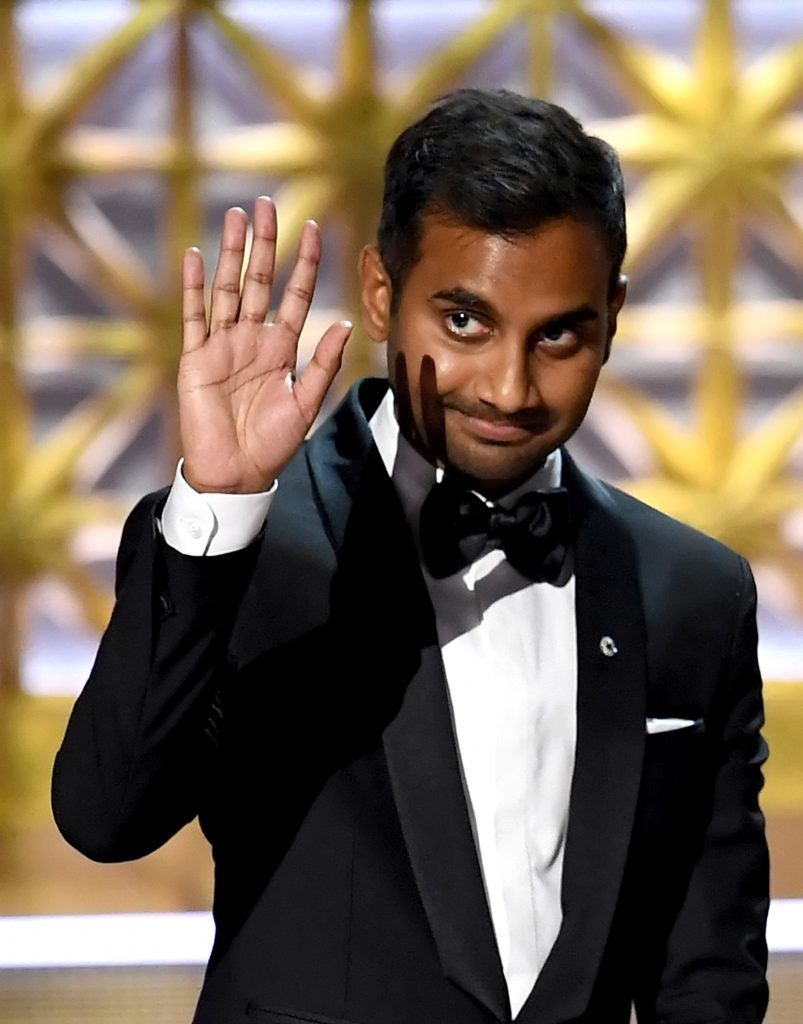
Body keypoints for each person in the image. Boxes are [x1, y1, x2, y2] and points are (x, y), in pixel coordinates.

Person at [52, 89, 769, 1024]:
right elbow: (106, 818)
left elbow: (705, 976)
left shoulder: (692, 593)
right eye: (465, 322)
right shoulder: (249, 548)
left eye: (557, 332)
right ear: (384, 294)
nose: (509, 387)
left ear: (613, 315)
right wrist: (219, 506)